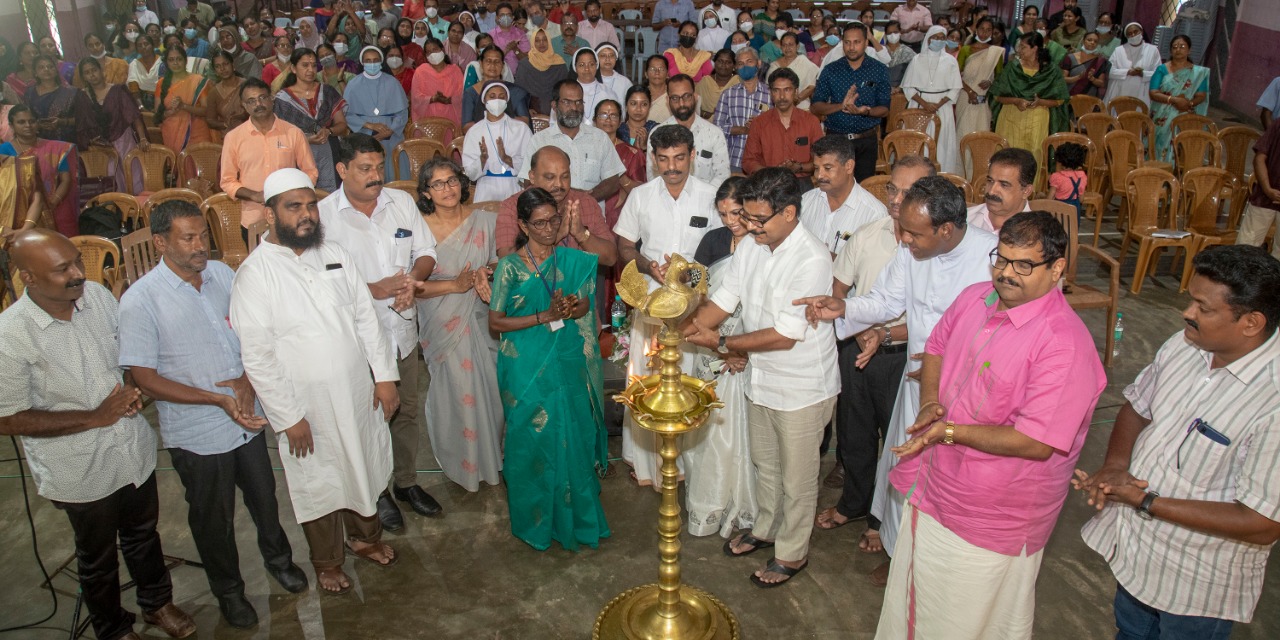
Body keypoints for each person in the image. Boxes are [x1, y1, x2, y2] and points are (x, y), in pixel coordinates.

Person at [875, 210, 1105, 639]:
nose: (1006, 273)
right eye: (1001, 259)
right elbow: (936, 346)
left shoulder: (1063, 343)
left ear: (1056, 270)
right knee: (912, 602)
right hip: (935, 485)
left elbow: (1036, 442)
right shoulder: (975, 298)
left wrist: (947, 433)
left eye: (1023, 265)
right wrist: (930, 403)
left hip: (991, 513)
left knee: (965, 622)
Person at [795, 176, 998, 585]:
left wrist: (952, 367)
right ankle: (899, 549)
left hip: (969, 392)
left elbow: (1000, 333)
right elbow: (886, 301)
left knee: (948, 483)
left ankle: (939, 567)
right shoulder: (912, 252)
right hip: (916, 384)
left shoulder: (991, 257)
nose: (903, 239)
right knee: (909, 475)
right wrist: (843, 307)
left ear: (945, 229)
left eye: (913, 232)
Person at [117, 201, 308, 628]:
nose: (200, 245)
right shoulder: (141, 301)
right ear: (160, 242)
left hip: (248, 421)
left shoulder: (223, 276)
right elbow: (144, 379)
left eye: (203, 235)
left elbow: (256, 335)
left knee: (264, 498)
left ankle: (279, 562)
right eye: (188, 238)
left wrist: (245, 379)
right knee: (214, 519)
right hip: (198, 434)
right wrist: (216, 399)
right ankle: (230, 592)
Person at [0, 229, 198, 640]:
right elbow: (8, 418)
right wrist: (95, 417)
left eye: (76, 261)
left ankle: (157, 604)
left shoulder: (99, 298)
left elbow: (128, 356)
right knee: (98, 556)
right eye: (63, 269)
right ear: (28, 277)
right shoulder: (11, 336)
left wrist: (133, 386)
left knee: (144, 536)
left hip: (132, 450)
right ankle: (112, 628)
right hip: (80, 468)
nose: (77, 274)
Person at [1075, 245, 1280, 640]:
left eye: (1204, 308)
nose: (1187, 313)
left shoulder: (1271, 399)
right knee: (1130, 633)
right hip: (1138, 555)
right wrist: (1117, 464)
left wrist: (1146, 502)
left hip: (1197, 582)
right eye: (1191, 300)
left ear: (1251, 322)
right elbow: (1137, 407)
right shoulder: (1185, 346)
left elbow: (1262, 522)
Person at [231, 168, 400, 596]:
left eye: (310, 205)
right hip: (306, 406)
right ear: (270, 214)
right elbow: (258, 356)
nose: (306, 215)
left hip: (358, 392)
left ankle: (364, 538)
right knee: (319, 481)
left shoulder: (337, 252)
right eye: (294, 207)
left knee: (362, 465)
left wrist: (384, 377)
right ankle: (327, 562)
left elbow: (365, 319)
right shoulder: (254, 274)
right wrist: (288, 418)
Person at [682, 167, 837, 587]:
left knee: (798, 476)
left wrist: (719, 343)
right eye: (746, 218)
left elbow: (786, 335)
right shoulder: (752, 245)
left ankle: (792, 553)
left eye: (758, 219)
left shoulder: (812, 258)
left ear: (789, 213)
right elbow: (726, 297)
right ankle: (766, 529)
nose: (749, 227)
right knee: (765, 463)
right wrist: (689, 325)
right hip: (762, 378)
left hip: (802, 385)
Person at [816, 155, 932, 553]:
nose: (897, 200)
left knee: (898, 441)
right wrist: (859, 329)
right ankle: (854, 504)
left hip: (907, 355)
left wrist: (883, 333)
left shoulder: (935, 249)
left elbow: (940, 321)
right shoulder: (868, 234)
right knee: (854, 433)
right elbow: (839, 288)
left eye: (909, 191)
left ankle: (883, 521)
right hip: (858, 345)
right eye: (892, 189)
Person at [490, 186, 610, 550]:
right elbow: (495, 323)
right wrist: (544, 315)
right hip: (525, 364)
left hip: (566, 357)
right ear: (524, 226)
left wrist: (571, 307)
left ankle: (576, 519)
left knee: (573, 431)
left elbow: (584, 306)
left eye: (553, 221)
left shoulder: (570, 259)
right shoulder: (510, 266)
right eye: (538, 223)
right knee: (533, 438)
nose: (547, 229)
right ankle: (537, 521)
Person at [614, 124, 720, 488]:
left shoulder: (711, 196)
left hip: (697, 310)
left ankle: (692, 467)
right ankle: (647, 466)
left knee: (692, 379)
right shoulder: (641, 196)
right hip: (652, 305)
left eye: (679, 158)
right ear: (653, 159)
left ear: (692, 156)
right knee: (649, 378)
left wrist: (692, 278)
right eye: (663, 159)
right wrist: (647, 266)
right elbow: (624, 246)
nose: (672, 167)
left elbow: (723, 250)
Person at [413, 156, 504, 491]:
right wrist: (454, 285)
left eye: (451, 180)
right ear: (426, 191)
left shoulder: (484, 219)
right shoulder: (418, 227)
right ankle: (463, 463)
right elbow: (412, 284)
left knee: (490, 386)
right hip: (441, 315)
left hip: (480, 313)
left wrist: (485, 272)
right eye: (437, 184)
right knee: (458, 390)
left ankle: (493, 456)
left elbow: (499, 258)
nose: (447, 189)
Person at [683, 176, 757, 538]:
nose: (731, 220)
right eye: (724, 213)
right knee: (705, 430)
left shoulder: (762, 244)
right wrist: (677, 277)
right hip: (707, 344)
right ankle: (707, 500)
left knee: (739, 434)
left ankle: (739, 506)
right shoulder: (712, 240)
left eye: (738, 212)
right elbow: (695, 286)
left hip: (745, 353)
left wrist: (738, 347)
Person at [221, 78, 319, 233]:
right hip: (253, 219)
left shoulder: (293, 133)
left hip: (290, 217)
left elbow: (311, 173)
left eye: (262, 98)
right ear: (244, 106)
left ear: (271, 99)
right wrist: (254, 195)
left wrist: (290, 195)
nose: (258, 104)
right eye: (251, 101)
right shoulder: (233, 138)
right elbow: (227, 181)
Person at [499, 145, 617, 261]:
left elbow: (611, 257)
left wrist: (581, 234)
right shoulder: (512, 207)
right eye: (550, 177)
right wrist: (557, 235)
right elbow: (507, 261)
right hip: (534, 280)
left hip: (577, 280)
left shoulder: (585, 203)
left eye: (565, 177)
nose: (559, 184)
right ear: (532, 177)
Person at [518, 80, 624, 201]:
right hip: (552, 216)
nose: (574, 108)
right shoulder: (539, 141)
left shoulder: (600, 138)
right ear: (554, 105)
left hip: (591, 215)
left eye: (578, 102)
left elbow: (613, 181)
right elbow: (528, 182)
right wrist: (565, 198)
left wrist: (585, 200)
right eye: (566, 102)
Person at [811, 22, 890, 183]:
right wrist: (841, 106)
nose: (851, 47)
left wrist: (866, 111)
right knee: (834, 187)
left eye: (857, 42)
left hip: (866, 141)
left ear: (866, 43)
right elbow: (815, 107)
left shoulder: (879, 69)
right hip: (836, 140)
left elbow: (884, 109)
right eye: (847, 42)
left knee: (864, 188)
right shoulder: (831, 70)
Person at [797, 134, 887, 256]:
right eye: (817, 168)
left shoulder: (874, 215)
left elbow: (871, 268)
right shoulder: (806, 201)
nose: (819, 175)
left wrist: (835, 262)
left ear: (849, 166)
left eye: (828, 168)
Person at [989, 33, 1069, 168]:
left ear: (1035, 48)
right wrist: (1016, 101)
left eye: (1023, 47)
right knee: (1008, 155)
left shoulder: (1051, 70)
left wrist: (1041, 102)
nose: (1019, 50)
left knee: (1034, 155)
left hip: (1038, 120)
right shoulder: (1012, 67)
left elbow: (1060, 100)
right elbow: (997, 95)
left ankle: (1030, 189)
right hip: (1011, 118)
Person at [275, 49, 349, 193]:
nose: (310, 70)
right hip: (298, 154)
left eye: (314, 65)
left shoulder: (327, 92)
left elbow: (342, 125)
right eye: (305, 65)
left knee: (331, 195)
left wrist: (329, 131)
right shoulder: (283, 99)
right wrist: (306, 139)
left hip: (330, 151)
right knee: (304, 194)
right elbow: (279, 135)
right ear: (293, 68)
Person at [1, 106, 77, 237]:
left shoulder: (56, 149)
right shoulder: (3, 151)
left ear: (38, 123)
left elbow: (66, 179)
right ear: (11, 126)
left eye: (32, 121)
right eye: (21, 122)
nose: (28, 125)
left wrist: (52, 202)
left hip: (54, 208)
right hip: (16, 212)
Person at [79, 57, 150, 196]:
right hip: (101, 146)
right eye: (87, 72)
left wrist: (142, 138)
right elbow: (83, 126)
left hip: (123, 139)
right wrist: (94, 142)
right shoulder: (82, 96)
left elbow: (134, 117)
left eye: (94, 70)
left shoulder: (117, 90)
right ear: (84, 77)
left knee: (133, 176)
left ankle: (138, 211)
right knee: (111, 179)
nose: (92, 75)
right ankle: (119, 212)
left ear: (102, 71)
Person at [901, 26, 962, 175]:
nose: (939, 41)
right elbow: (908, 87)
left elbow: (955, 88)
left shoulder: (951, 61)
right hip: (919, 106)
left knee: (941, 144)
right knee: (917, 144)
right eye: (936, 37)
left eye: (942, 38)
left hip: (942, 107)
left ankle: (940, 175)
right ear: (928, 39)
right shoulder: (917, 59)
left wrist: (937, 104)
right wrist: (925, 104)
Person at [742, 68, 823, 178]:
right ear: (771, 93)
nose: (782, 96)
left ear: (796, 92)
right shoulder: (759, 123)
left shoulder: (811, 122)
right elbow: (748, 161)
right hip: (769, 182)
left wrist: (799, 167)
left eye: (787, 90)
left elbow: (821, 159)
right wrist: (772, 172)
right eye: (776, 90)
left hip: (801, 182)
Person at [344, 46, 410, 181]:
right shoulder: (353, 84)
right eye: (368, 61)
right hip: (364, 133)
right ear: (362, 63)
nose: (372, 64)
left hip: (391, 134)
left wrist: (390, 130)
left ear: (381, 61)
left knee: (393, 172)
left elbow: (402, 113)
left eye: (375, 60)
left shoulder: (392, 82)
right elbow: (347, 114)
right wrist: (369, 125)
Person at [654, 74, 730, 185]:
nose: (681, 104)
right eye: (675, 98)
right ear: (667, 100)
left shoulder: (714, 134)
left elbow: (722, 175)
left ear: (695, 96)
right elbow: (654, 177)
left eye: (686, 96)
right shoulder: (657, 134)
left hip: (706, 199)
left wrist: (701, 198)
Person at [463, 81, 531, 202]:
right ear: (484, 100)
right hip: (485, 190)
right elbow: (470, 174)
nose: (497, 100)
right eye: (492, 96)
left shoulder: (521, 129)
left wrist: (508, 160)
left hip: (514, 187)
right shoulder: (474, 132)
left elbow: (530, 166)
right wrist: (482, 160)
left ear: (507, 100)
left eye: (501, 97)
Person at [1149, 34, 1209, 165]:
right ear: (1170, 50)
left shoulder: (1198, 73)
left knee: (1180, 146)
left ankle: (1175, 176)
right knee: (1156, 143)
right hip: (1161, 114)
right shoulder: (1162, 69)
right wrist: (1174, 100)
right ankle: (1155, 173)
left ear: (1189, 50)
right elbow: (1153, 92)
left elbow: (1201, 95)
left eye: (1182, 46)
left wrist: (1188, 104)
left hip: (1184, 114)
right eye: (1174, 47)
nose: (1178, 49)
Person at [713, 47, 769, 174]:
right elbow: (716, 127)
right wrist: (742, 129)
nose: (745, 66)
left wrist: (761, 125)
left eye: (749, 61)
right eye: (740, 63)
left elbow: (779, 124)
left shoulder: (771, 94)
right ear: (736, 68)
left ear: (758, 64)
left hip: (764, 160)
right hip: (734, 159)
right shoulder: (728, 94)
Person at [593, 98, 645, 226]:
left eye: (613, 115)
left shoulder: (632, 153)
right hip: (588, 213)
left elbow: (642, 194)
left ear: (620, 121)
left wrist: (619, 174)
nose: (608, 119)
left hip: (619, 219)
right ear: (594, 120)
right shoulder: (584, 150)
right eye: (603, 115)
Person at [24, 55, 94, 148]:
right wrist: (37, 124)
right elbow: (25, 117)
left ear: (56, 71)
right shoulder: (30, 93)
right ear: (35, 72)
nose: (46, 69)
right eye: (41, 67)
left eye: (50, 67)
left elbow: (86, 119)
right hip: (39, 142)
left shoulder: (72, 93)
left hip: (67, 141)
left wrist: (62, 122)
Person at [1236, 117, 1280, 259]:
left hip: (1266, 195)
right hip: (1264, 198)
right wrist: (1267, 189)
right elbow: (1259, 158)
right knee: (1245, 249)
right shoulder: (1278, 124)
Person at [154, 46, 212, 151]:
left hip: (196, 133)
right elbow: (158, 113)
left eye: (179, 59)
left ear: (185, 61)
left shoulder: (198, 81)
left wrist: (183, 106)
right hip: (171, 133)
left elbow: (207, 111)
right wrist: (168, 113)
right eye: (171, 60)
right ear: (166, 63)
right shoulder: (161, 84)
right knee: (177, 167)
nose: (175, 63)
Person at [968, 147, 1036, 233]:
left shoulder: (1036, 236)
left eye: (1004, 185)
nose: (991, 191)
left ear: (1026, 191)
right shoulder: (964, 220)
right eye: (990, 181)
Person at [956, 17, 1002, 139]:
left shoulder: (995, 52)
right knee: (963, 131)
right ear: (976, 30)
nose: (984, 33)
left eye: (988, 30)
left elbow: (999, 77)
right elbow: (956, 75)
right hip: (965, 95)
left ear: (992, 33)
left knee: (981, 132)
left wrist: (990, 82)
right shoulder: (966, 50)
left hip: (984, 97)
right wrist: (970, 92)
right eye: (982, 29)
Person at [461, 46, 531, 126]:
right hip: (482, 137)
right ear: (481, 64)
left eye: (497, 62)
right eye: (488, 61)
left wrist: (500, 120)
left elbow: (525, 121)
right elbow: (466, 126)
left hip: (511, 137)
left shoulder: (515, 91)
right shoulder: (470, 93)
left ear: (503, 65)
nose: (492, 65)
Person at [514, 29, 569, 115]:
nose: (541, 43)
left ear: (549, 42)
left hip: (556, 110)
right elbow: (519, 91)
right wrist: (526, 109)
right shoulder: (524, 65)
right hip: (531, 109)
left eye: (544, 39)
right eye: (537, 40)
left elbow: (565, 90)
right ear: (532, 43)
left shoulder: (559, 63)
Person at [1104, 22, 1160, 107]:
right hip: (1119, 90)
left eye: (1135, 32)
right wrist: (1127, 72)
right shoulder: (1119, 50)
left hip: (1142, 92)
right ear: (1126, 36)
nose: (1133, 35)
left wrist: (1142, 73)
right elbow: (1110, 72)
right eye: (1129, 34)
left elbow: (1158, 74)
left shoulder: (1153, 50)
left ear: (1141, 31)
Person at [411, 38, 464, 127]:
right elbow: (416, 97)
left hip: (451, 118)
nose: (432, 54)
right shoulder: (421, 71)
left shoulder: (455, 70)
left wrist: (449, 100)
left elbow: (462, 94)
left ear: (442, 49)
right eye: (428, 52)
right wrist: (433, 99)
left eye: (434, 50)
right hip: (428, 120)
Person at [772, 33, 819, 109]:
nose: (787, 48)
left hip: (801, 106)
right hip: (779, 106)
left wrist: (797, 99)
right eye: (784, 45)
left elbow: (812, 85)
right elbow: (770, 87)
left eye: (791, 45)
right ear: (781, 47)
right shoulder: (774, 65)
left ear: (797, 46)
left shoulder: (805, 62)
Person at [571, 47, 615, 122]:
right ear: (575, 67)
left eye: (591, 64)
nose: (587, 69)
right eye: (582, 65)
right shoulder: (566, 93)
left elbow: (615, 120)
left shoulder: (608, 93)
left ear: (596, 66)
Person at [1062, 30, 1109, 99]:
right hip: (1070, 97)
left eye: (1095, 41)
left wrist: (1092, 79)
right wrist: (1077, 78)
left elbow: (1101, 84)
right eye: (1089, 40)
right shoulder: (1070, 58)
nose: (1092, 43)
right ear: (1083, 41)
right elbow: (1063, 78)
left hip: (1088, 100)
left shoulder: (1100, 61)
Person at [695, 49, 738, 121]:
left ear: (734, 65)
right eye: (720, 61)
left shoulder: (738, 82)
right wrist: (708, 114)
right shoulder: (705, 81)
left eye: (728, 62)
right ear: (714, 63)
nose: (723, 65)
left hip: (732, 126)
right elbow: (694, 106)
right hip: (706, 125)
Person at [1049, 142, 1087, 218]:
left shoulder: (1057, 177)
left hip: (1059, 209)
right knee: (1073, 228)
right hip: (1074, 211)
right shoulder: (1082, 176)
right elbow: (1081, 199)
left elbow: (1050, 197)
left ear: (1060, 162)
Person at [128, 35, 164, 110]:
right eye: (139, 45)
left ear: (153, 45)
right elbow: (133, 89)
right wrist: (141, 107)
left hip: (163, 100)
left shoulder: (163, 62)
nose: (143, 47)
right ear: (137, 49)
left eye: (146, 44)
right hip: (142, 102)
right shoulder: (134, 64)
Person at [875, 21, 916, 87]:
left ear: (900, 32)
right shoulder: (880, 51)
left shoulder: (908, 52)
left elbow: (912, 73)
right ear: (885, 34)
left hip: (901, 88)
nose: (892, 35)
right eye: (889, 33)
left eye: (895, 32)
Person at [491, 3, 530, 71]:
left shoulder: (521, 34)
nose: (505, 17)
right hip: (498, 77)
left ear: (512, 17)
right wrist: (506, 50)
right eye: (502, 15)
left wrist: (516, 50)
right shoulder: (491, 35)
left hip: (518, 77)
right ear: (497, 18)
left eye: (508, 15)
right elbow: (490, 61)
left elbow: (527, 60)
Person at [619, 85, 658, 151]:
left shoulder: (656, 130)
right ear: (626, 105)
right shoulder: (618, 131)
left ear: (650, 106)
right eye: (633, 103)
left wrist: (646, 148)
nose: (638, 109)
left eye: (644, 104)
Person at [644, 55, 675, 122]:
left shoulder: (673, 96)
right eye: (652, 69)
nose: (657, 72)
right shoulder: (641, 95)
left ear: (667, 74)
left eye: (661, 69)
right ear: (646, 74)